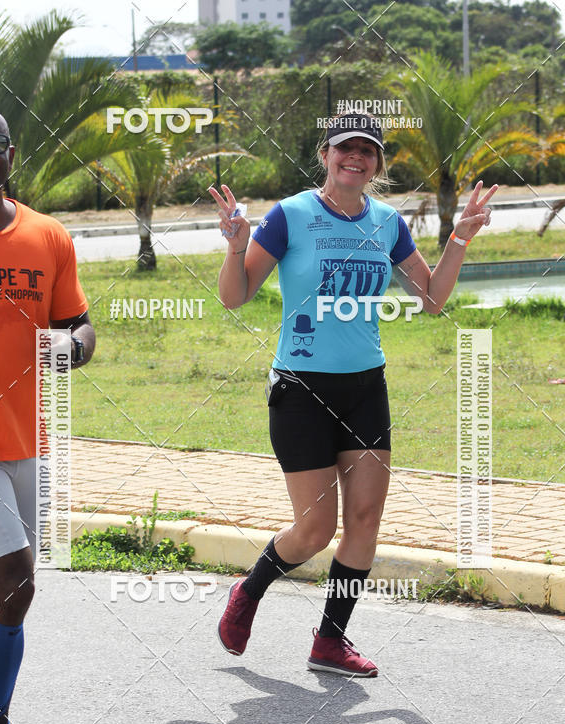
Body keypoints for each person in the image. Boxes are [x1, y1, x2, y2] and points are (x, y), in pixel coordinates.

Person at [209, 113, 497, 677]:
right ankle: (251, 589)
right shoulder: (291, 215)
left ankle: (330, 640)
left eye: (368, 151)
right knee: (314, 530)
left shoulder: (388, 223)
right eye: (346, 149)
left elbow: (432, 298)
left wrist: (460, 238)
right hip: (301, 388)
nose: (356, 159)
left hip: (366, 386)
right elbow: (235, 297)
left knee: (364, 518)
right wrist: (235, 247)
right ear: (326, 155)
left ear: (377, 164)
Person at [0, 103, 95, 724]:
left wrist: (73, 347)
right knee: (17, 582)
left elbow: (77, 322)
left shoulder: (47, 236)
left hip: (26, 443)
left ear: (11, 153)